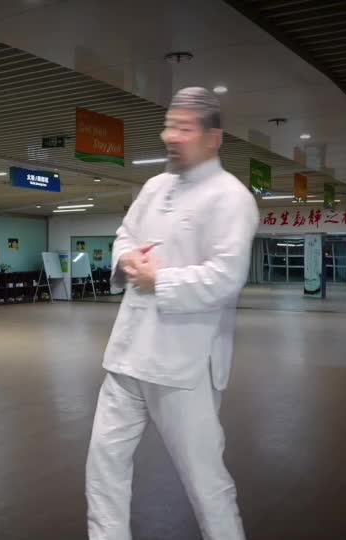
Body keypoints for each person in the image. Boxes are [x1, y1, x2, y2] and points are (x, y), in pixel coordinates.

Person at [85, 87, 259, 540]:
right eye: (168, 126)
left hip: (184, 367)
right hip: (127, 356)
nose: (171, 137)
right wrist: (126, 258)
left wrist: (158, 280)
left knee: (206, 483)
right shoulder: (154, 187)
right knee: (104, 464)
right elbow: (125, 235)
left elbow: (225, 277)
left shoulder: (231, 198)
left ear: (213, 138)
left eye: (184, 128)